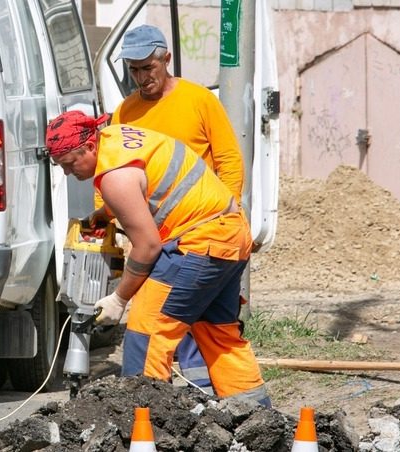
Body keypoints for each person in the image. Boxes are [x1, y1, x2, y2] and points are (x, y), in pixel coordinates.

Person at [45, 110, 269, 404]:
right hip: (230, 234)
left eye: (69, 164)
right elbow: (151, 182)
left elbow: (147, 247)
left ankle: (142, 425)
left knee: (146, 329)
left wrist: (119, 299)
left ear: (88, 147)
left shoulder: (114, 177)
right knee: (218, 334)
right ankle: (255, 415)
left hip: (200, 243)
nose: (67, 172)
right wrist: (106, 213)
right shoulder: (115, 138)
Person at [109, 24, 255, 398]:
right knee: (211, 325)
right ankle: (236, 405)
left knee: (152, 321)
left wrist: (230, 212)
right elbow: (113, 170)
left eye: (148, 68)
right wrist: (112, 222)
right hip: (158, 236)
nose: (142, 78)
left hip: (199, 233)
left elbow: (228, 159)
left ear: (166, 59)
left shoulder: (198, 100)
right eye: (134, 70)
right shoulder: (126, 111)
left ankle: (154, 410)